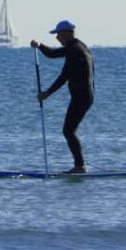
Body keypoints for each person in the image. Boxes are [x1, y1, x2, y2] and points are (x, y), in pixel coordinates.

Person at [30, 20, 94, 174]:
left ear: (67, 33)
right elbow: (54, 56)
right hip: (84, 96)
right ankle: (80, 165)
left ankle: (80, 167)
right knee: (69, 130)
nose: (57, 38)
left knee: (68, 131)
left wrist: (47, 93)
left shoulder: (75, 50)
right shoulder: (78, 47)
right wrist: (39, 45)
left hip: (82, 97)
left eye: (58, 34)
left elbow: (63, 76)